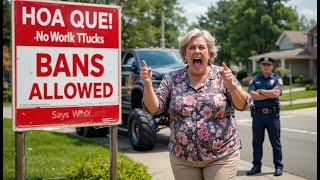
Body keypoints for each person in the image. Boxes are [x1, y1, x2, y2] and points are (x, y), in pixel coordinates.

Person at [140, 28, 252, 180]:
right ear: (184, 54)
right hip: (183, 158)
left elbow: (243, 105)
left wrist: (231, 85)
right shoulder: (172, 78)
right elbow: (154, 108)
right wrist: (147, 84)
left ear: (210, 53)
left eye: (201, 47)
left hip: (222, 155)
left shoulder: (222, 75)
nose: (196, 51)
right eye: (191, 47)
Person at [246, 57, 284, 176]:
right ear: (261, 66)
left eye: (269, 64)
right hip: (258, 116)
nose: (266, 66)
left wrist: (260, 91)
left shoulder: (277, 79)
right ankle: (256, 166)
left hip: (273, 116)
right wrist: (270, 94)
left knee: (275, 142)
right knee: (257, 142)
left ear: (272, 66)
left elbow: (277, 94)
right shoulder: (255, 79)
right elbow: (252, 95)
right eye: (264, 64)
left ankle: (278, 166)